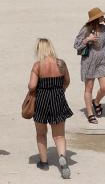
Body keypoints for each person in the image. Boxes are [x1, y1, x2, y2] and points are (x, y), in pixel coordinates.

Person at [28, 38, 73, 179]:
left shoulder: (37, 66)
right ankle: (62, 158)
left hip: (41, 100)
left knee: (41, 133)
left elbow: (32, 86)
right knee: (59, 135)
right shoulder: (61, 64)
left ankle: (44, 162)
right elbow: (67, 81)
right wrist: (60, 90)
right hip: (58, 99)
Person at [74, 8, 105, 124]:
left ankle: (96, 101)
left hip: (103, 62)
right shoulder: (86, 29)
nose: (102, 17)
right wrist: (87, 39)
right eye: (100, 16)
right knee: (88, 88)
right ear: (95, 18)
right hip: (89, 62)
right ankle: (90, 114)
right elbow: (76, 45)